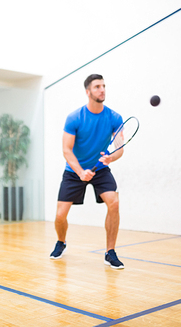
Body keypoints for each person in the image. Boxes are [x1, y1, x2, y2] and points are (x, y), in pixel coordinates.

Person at [50, 74, 125, 269]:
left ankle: (110, 252)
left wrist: (111, 157)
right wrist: (80, 171)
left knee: (114, 203)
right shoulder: (75, 118)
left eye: (103, 86)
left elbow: (120, 148)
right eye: (97, 87)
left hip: (100, 169)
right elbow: (66, 149)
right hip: (74, 170)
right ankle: (61, 241)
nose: (102, 90)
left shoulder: (115, 118)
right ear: (88, 92)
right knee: (60, 216)